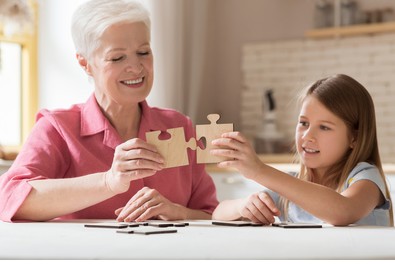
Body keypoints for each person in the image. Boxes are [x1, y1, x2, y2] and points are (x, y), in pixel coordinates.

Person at [0, 0, 218, 222]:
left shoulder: (178, 126)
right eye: (117, 57)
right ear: (85, 63)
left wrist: (178, 212)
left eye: (143, 52)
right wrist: (108, 181)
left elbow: (210, 214)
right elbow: (9, 199)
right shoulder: (57, 128)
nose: (135, 66)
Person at [211, 74, 392, 226]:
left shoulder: (366, 178)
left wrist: (259, 170)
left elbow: (343, 211)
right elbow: (218, 213)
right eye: (304, 123)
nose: (307, 136)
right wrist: (244, 205)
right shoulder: (290, 186)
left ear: (354, 138)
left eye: (324, 127)